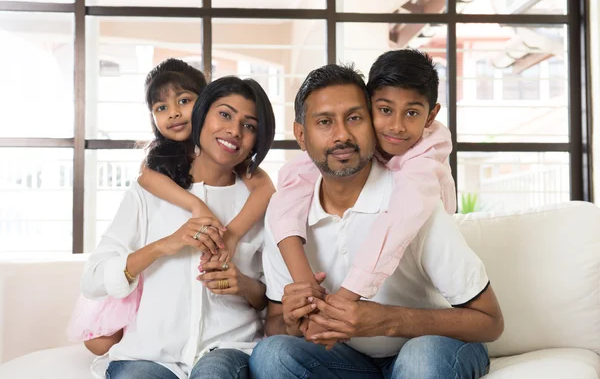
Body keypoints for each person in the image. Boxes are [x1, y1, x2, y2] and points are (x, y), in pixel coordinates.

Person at [250, 63, 504, 379]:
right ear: (301, 135)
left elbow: (490, 322)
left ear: (371, 122)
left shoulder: (414, 204)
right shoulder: (288, 213)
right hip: (348, 361)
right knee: (272, 354)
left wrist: (387, 320)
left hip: (433, 346)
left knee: (421, 359)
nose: (342, 135)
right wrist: (291, 321)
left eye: (355, 118)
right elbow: (274, 323)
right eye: (325, 122)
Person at [67, 59, 274, 357]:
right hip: (152, 340)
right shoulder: (157, 170)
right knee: (101, 341)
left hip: (225, 345)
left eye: (184, 101)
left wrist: (231, 237)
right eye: (160, 108)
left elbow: (266, 188)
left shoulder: (245, 175)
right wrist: (193, 209)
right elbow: (145, 179)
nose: (174, 113)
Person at [269, 50, 456, 317]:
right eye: (385, 110)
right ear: (370, 106)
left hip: (421, 238)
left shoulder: (425, 155)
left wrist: (344, 299)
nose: (397, 126)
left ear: (430, 116)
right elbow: (292, 182)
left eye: (412, 113)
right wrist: (305, 283)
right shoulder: (351, 145)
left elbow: (400, 222)